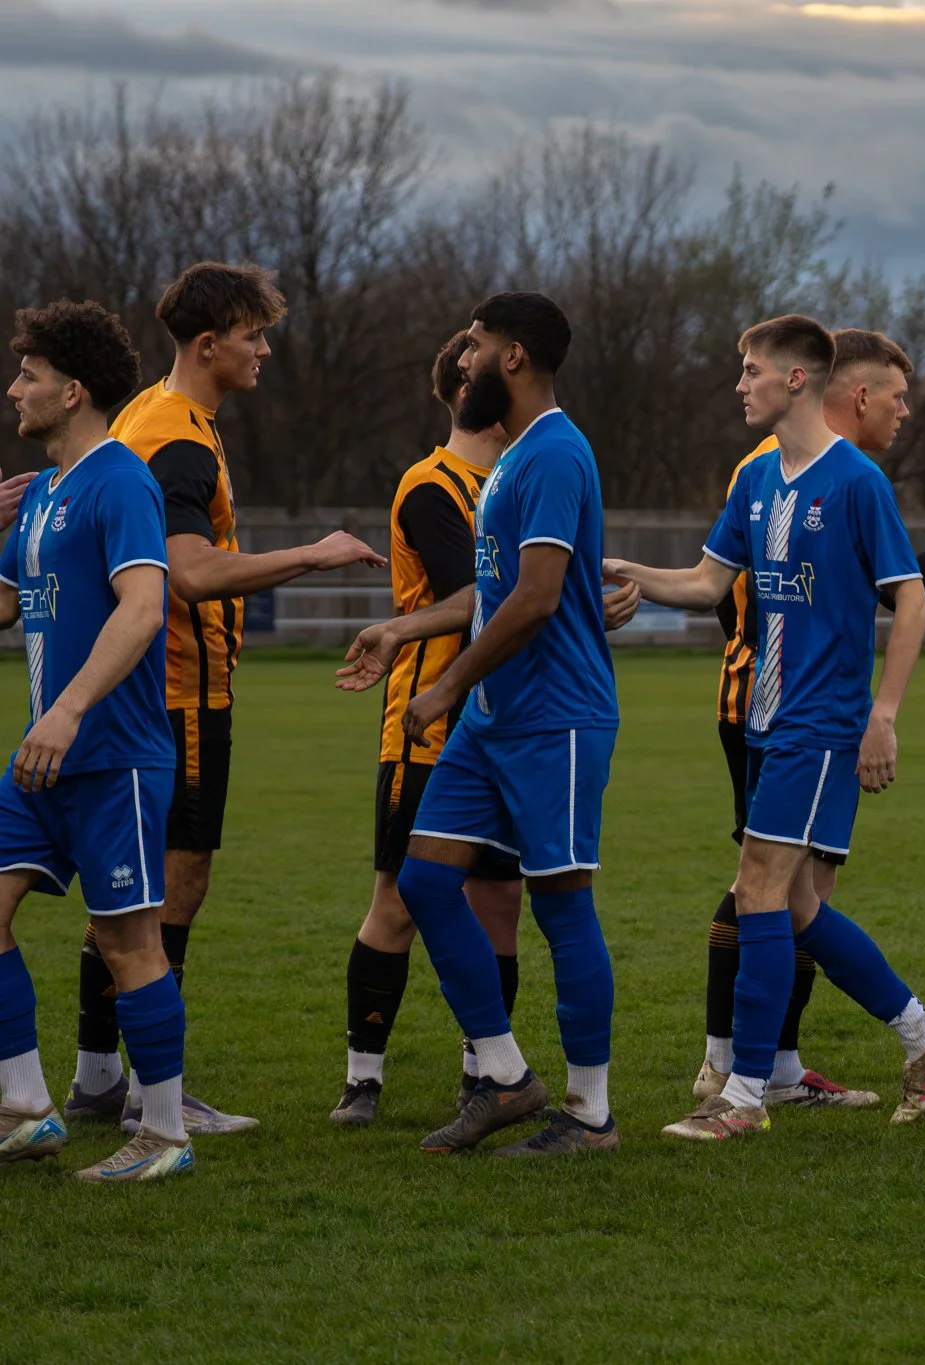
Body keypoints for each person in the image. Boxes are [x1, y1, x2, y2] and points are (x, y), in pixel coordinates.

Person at [605, 314, 925, 1141]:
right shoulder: (759, 478)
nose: (740, 384)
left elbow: (910, 599)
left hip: (822, 722)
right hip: (767, 721)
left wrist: (883, 715)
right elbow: (705, 584)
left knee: (758, 888)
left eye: (751, 370)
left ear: (796, 378)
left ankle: (743, 1097)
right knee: (796, 907)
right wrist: (624, 569)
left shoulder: (857, 481)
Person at [67, 263, 384, 1138]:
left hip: (147, 689)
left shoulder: (150, 414)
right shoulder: (177, 439)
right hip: (178, 692)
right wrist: (313, 554)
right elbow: (192, 571)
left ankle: (99, 1076)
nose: (265, 349)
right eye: (254, 335)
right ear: (208, 345)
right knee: (175, 884)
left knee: (131, 885)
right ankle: (150, 1088)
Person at [697, 328, 925, 1109]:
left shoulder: (837, 476)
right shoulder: (777, 469)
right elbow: (731, 586)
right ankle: (738, 1070)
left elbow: (892, 589)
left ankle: (776, 1069)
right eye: (897, 396)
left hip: (796, 708)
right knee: (766, 887)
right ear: (856, 395)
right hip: (777, 708)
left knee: (791, 893)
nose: (905, 411)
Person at [336, 292, 621, 1156]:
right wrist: (405, 631)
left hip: (555, 719)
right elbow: (491, 593)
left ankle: (591, 1114)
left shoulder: (557, 452)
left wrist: (445, 684)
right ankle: (502, 1075)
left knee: (561, 906)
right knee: (424, 884)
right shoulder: (512, 458)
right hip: (491, 722)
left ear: (515, 357)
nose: (463, 360)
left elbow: (535, 599)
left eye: (475, 345)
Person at [0, 300, 189, 1180]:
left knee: (127, 944)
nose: (15, 390)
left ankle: (164, 1136)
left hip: (113, 757)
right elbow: (7, 606)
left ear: (72, 391)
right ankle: (25, 1106)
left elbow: (144, 607)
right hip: (43, 763)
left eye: (29, 375)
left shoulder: (121, 480)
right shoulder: (43, 493)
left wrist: (69, 708)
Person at [328, 333, 526, 1126]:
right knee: (398, 901)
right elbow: (475, 597)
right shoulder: (433, 483)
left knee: (499, 901)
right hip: (429, 727)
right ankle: (363, 1078)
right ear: (470, 391)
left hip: (505, 726)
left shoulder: (514, 481)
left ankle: (486, 1074)